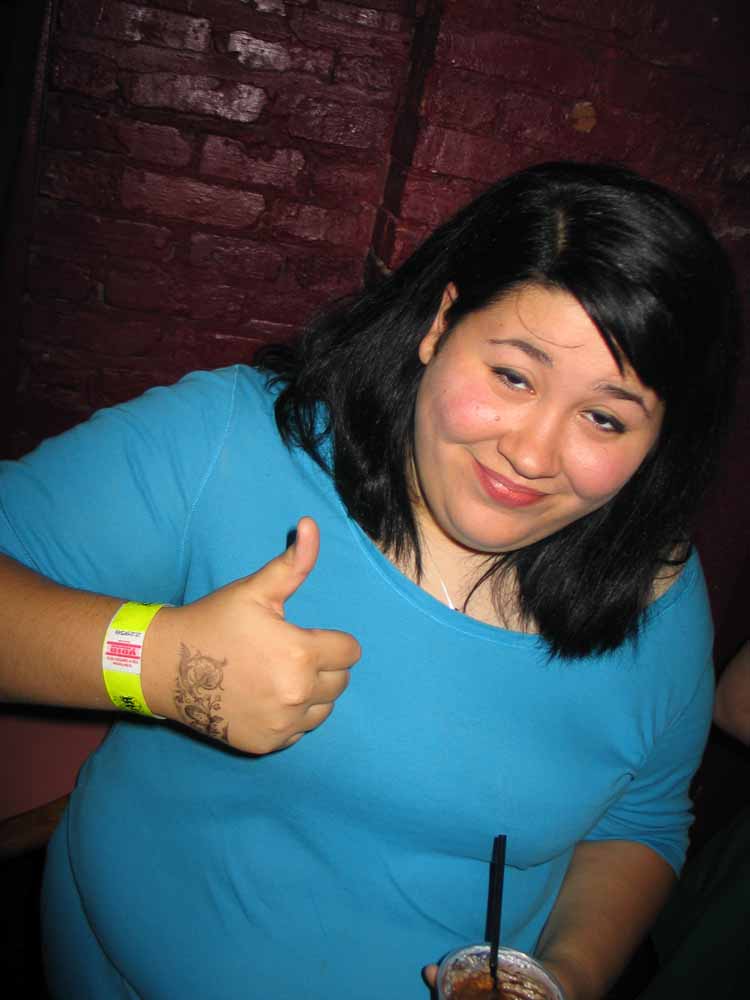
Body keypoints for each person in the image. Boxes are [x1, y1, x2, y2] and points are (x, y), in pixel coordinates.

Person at [0, 161, 739, 1000]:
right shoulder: (235, 441)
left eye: (604, 418)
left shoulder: (658, 592)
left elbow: (639, 821)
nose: (532, 454)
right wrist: (164, 665)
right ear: (441, 324)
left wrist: (564, 977)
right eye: (512, 375)